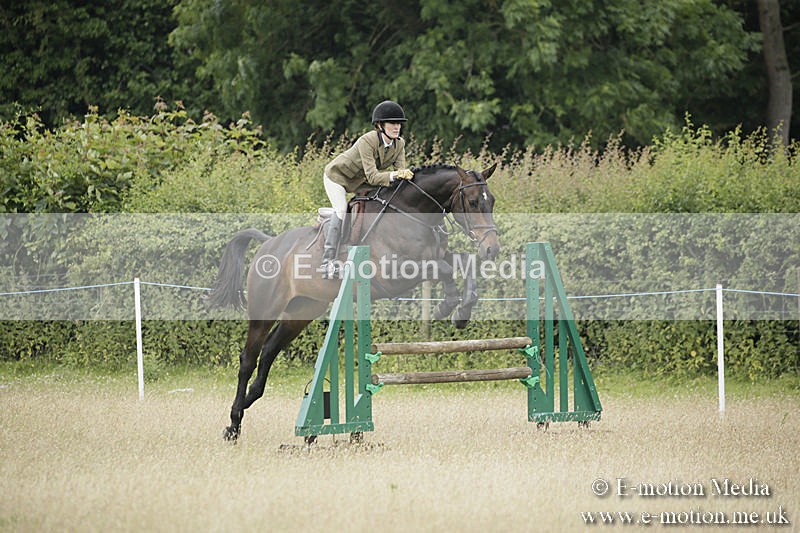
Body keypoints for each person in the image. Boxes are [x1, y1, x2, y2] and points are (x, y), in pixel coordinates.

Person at [320, 100, 414, 278]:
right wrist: (396, 175)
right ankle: (328, 262)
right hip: (338, 177)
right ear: (380, 125)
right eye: (392, 123)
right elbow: (374, 176)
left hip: (361, 181)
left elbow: (400, 173)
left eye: (399, 123)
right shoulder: (367, 141)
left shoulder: (399, 144)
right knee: (341, 210)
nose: (397, 127)